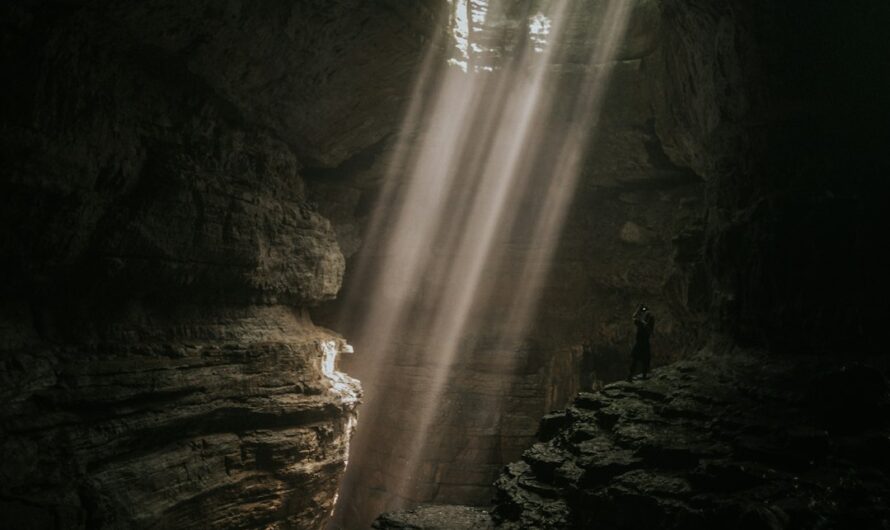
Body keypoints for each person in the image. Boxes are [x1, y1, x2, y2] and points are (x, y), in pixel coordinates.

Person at [627, 304, 655, 381]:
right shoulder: (648, 327)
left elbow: (634, 317)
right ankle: (644, 376)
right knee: (645, 361)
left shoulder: (641, 324)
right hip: (645, 344)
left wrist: (639, 310)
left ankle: (630, 376)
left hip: (639, 344)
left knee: (635, 361)